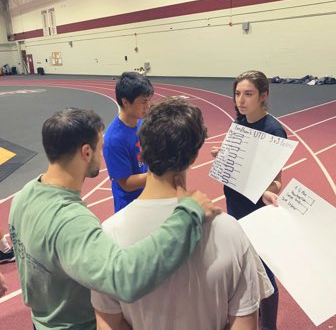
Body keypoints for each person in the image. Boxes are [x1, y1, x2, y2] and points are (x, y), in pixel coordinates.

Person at [8, 107, 218, 330]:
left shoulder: (24, 195)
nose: (102, 154)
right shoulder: (71, 221)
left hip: (41, 321)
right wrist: (188, 214)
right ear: (86, 152)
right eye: (101, 147)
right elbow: (124, 278)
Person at [90, 98, 272, 330]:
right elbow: (245, 323)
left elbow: (108, 323)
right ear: (194, 155)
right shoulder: (230, 231)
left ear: (142, 150)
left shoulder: (107, 234)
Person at [209, 71, 287, 330]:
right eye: (238, 93)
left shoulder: (273, 130)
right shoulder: (239, 122)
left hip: (258, 209)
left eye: (248, 94)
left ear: (264, 96)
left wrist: (269, 190)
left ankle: (269, 326)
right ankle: (247, 315)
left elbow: (277, 180)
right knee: (242, 264)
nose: (241, 100)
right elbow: (238, 167)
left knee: (263, 268)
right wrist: (223, 156)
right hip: (235, 205)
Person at [102, 71, 154, 213]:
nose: (148, 106)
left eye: (149, 100)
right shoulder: (114, 139)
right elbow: (126, 183)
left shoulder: (141, 122)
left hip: (148, 197)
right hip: (129, 207)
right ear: (125, 102)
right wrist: (159, 175)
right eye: (143, 102)